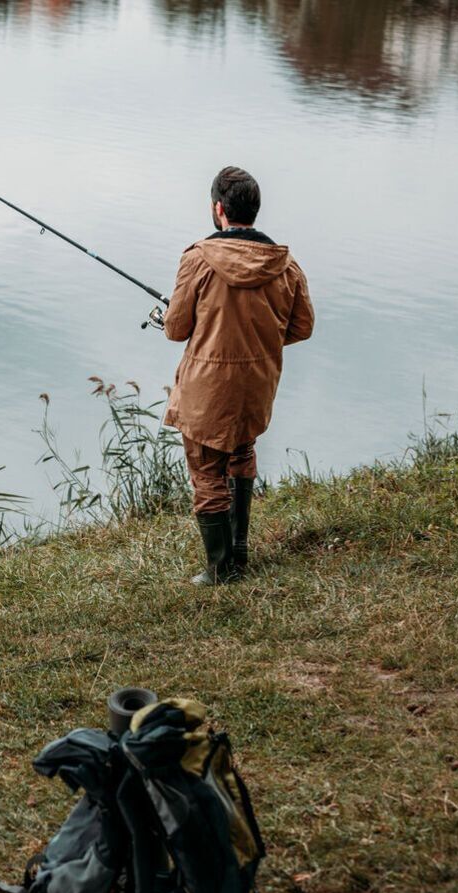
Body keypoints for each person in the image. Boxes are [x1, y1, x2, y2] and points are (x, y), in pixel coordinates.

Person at [163, 166, 314, 585]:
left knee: (207, 470)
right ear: (255, 209)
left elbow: (176, 329)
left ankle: (219, 568)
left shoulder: (198, 259)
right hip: (256, 386)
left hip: (207, 389)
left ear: (218, 210)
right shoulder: (284, 263)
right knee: (241, 453)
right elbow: (302, 327)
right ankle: (239, 552)